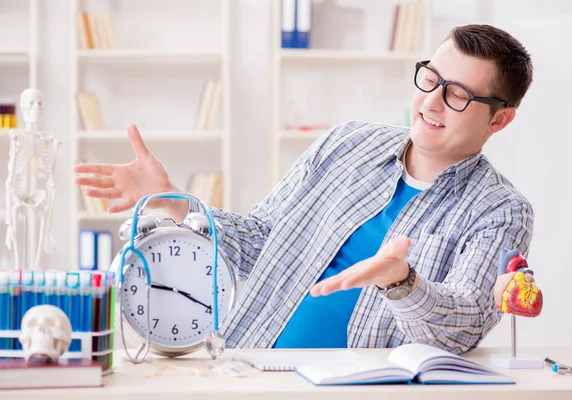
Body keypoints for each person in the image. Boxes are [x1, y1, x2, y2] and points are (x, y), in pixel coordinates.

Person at [74, 24, 535, 354]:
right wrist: (174, 200)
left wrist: (403, 281)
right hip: (250, 368)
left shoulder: (500, 210)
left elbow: (462, 329)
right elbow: (261, 241)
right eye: (431, 79)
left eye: (457, 95)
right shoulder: (346, 143)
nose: (431, 102)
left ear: (499, 118)